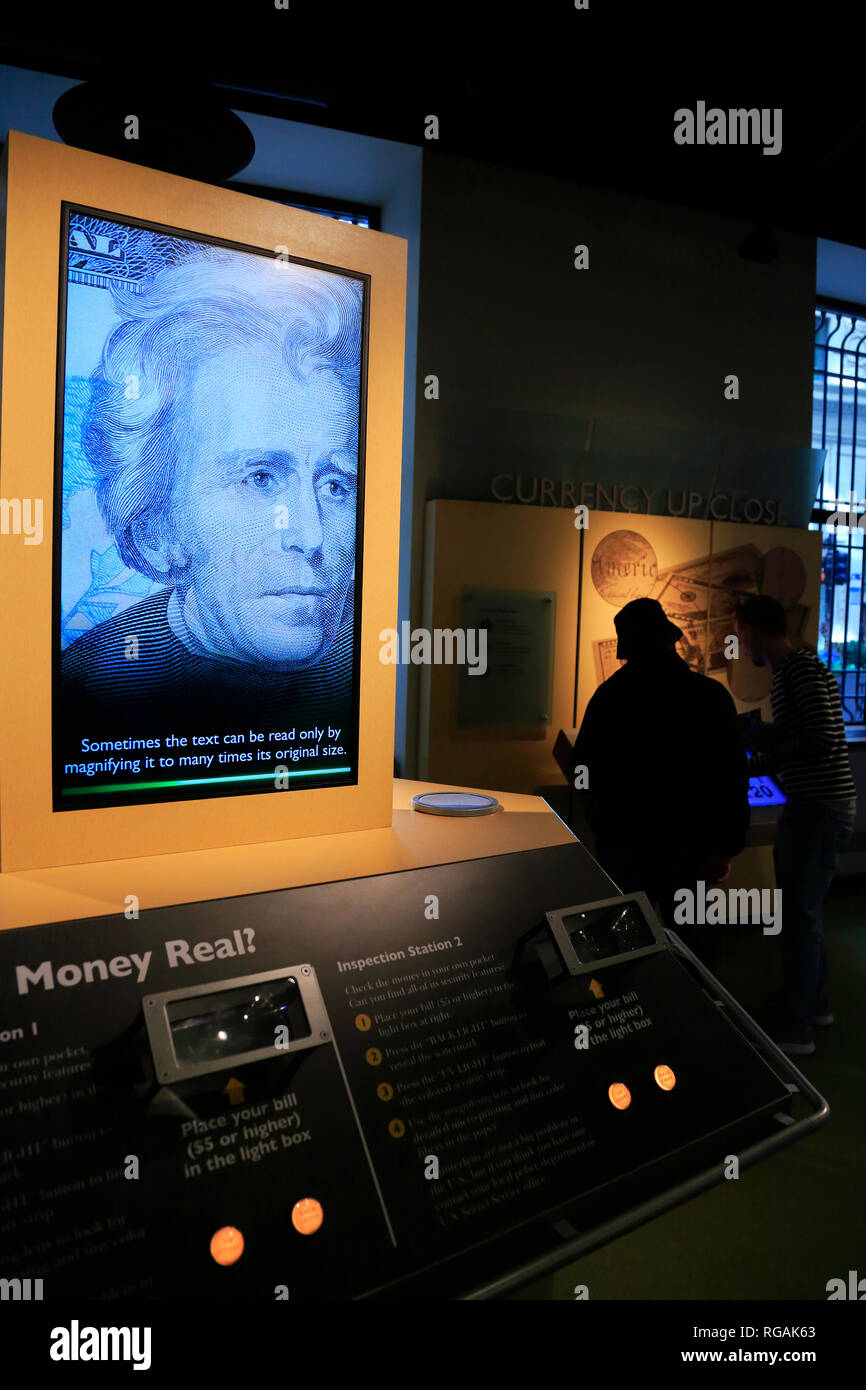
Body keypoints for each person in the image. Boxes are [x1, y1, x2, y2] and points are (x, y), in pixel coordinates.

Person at [61, 250, 361, 736]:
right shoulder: (90, 690)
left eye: (334, 485)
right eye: (261, 478)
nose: (311, 536)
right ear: (158, 530)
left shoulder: (367, 659)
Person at [572, 598, 750, 960]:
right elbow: (732, 777)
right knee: (695, 953)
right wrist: (725, 845)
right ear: (670, 640)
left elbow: (582, 772)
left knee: (621, 953)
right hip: (692, 849)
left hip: (625, 847)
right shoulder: (709, 697)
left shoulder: (609, 698)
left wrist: (600, 821)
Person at [736, 594, 856, 1055]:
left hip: (817, 809)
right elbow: (805, 742)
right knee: (805, 914)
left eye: (741, 633)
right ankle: (813, 1003)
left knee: (798, 917)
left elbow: (820, 739)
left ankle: (797, 1026)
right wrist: (751, 760)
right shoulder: (797, 668)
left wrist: (767, 739)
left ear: (753, 629)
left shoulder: (797, 670)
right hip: (819, 806)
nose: (740, 642)